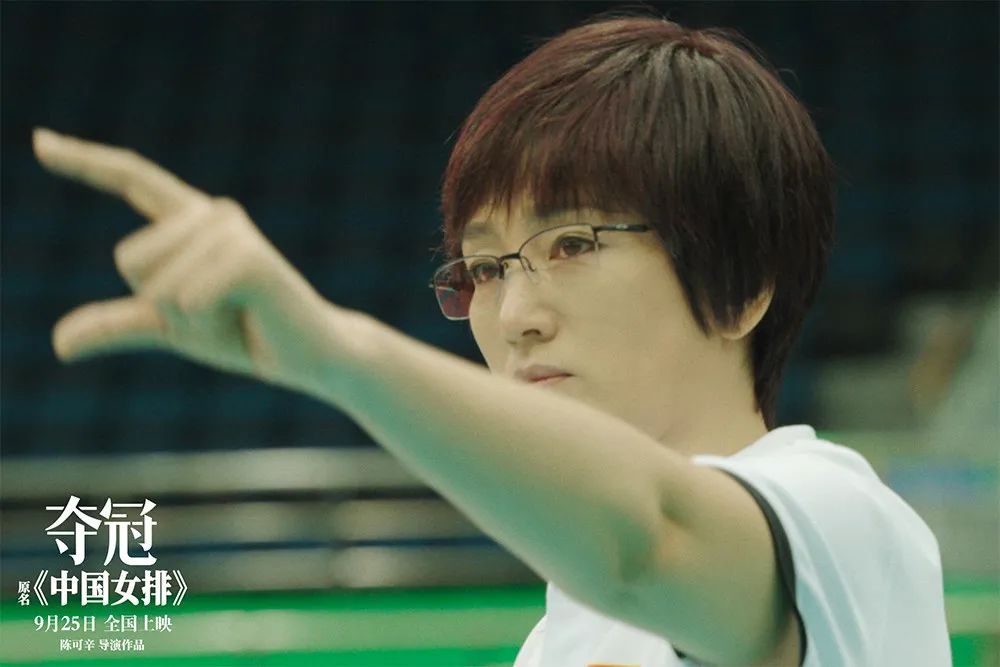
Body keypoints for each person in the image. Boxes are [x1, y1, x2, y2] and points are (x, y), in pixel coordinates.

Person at [32, 14, 950, 667]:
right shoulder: (558, 635)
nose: (514, 316)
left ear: (743, 286)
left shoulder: (839, 520)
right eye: (484, 268)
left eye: (573, 244)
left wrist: (336, 354)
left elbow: (649, 542)